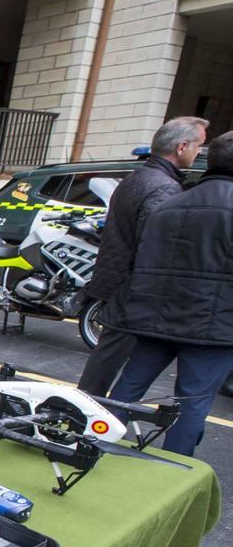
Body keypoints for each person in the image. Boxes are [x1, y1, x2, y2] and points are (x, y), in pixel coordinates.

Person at [106, 130, 233, 457]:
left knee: (127, 389)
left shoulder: (171, 203)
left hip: (156, 318)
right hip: (213, 326)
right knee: (191, 403)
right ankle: (173, 471)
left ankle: (96, 447)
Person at [78, 116, 208, 396]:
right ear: (182, 146)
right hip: (135, 288)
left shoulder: (138, 177)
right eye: (199, 147)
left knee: (110, 356)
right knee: (111, 359)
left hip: (121, 281)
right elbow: (156, 245)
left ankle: (83, 415)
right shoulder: (164, 187)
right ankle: (81, 419)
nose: (199, 154)